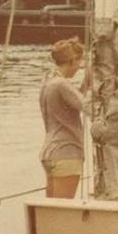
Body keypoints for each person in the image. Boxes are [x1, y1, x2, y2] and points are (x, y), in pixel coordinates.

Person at [40, 37, 87, 198]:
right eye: (80, 63)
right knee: (62, 211)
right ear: (72, 60)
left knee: (52, 211)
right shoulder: (62, 84)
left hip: (50, 152)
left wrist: (87, 83)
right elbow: (89, 107)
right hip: (66, 153)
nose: (79, 67)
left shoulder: (48, 82)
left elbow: (73, 103)